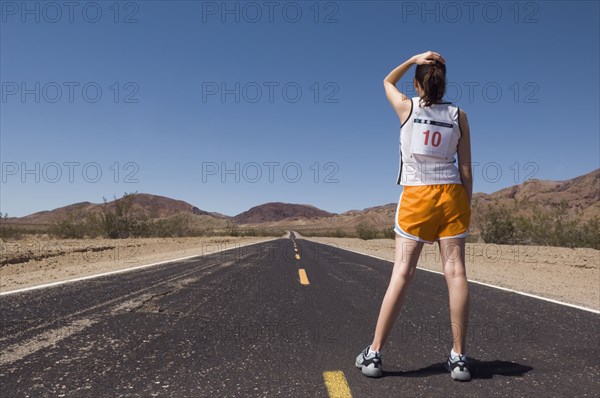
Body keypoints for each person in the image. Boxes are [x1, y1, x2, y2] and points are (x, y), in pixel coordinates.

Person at [355, 51, 473, 382]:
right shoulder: (459, 115)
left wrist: (411, 58)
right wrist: (467, 203)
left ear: (418, 84)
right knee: (456, 274)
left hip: (417, 199)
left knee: (402, 273)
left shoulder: (407, 108)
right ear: (443, 83)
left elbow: (386, 80)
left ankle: (375, 353)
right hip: (452, 197)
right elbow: (465, 166)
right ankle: (459, 358)